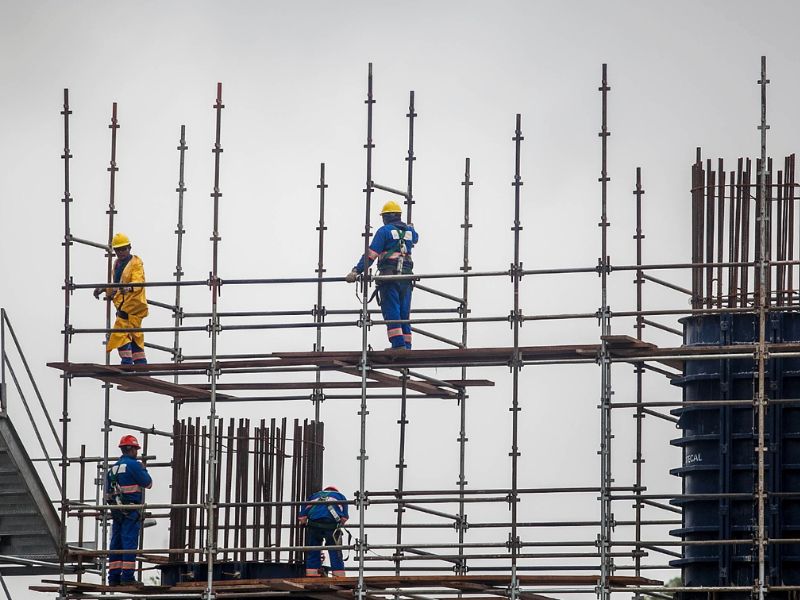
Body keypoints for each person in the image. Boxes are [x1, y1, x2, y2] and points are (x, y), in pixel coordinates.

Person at [346, 201, 419, 349]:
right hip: (406, 278)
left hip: (389, 278)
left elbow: (371, 255)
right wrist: (411, 227)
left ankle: (398, 345)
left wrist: (356, 270)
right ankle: (407, 346)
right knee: (404, 313)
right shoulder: (410, 233)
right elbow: (416, 238)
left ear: (386, 217)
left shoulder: (384, 231)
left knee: (392, 311)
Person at [93, 233, 148, 365]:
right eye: (118, 250)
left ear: (129, 248)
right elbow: (117, 285)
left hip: (133, 305)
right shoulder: (117, 264)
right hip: (123, 304)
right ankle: (141, 366)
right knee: (134, 336)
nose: (121, 252)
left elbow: (138, 281)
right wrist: (105, 289)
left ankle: (127, 363)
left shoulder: (136, 262)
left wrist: (129, 288)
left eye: (124, 249)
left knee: (119, 334)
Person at [105, 434, 152, 587]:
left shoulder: (112, 469)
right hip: (131, 510)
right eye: (136, 449)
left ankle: (113, 578)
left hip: (116, 511)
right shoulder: (134, 465)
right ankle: (127, 577)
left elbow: (107, 493)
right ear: (131, 449)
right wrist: (143, 469)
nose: (136, 452)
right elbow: (148, 483)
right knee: (129, 543)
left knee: (116, 543)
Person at [298, 486, 349, 577]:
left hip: (314, 526)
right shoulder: (340, 496)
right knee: (335, 551)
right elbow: (344, 518)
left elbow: (302, 517)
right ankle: (339, 576)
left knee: (313, 550)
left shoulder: (314, 496)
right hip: (331, 527)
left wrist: (304, 523)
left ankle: (312, 575)